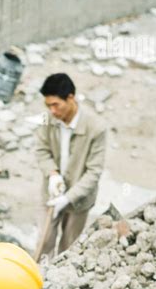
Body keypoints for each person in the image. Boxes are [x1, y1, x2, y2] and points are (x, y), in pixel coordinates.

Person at [36, 72, 106, 257]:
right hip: (51, 193)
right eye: (48, 105)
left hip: (79, 201)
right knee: (43, 245)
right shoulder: (49, 119)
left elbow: (94, 172)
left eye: (55, 105)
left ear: (70, 98)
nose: (52, 111)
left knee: (68, 249)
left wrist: (68, 198)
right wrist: (52, 174)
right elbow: (42, 150)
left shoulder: (96, 128)